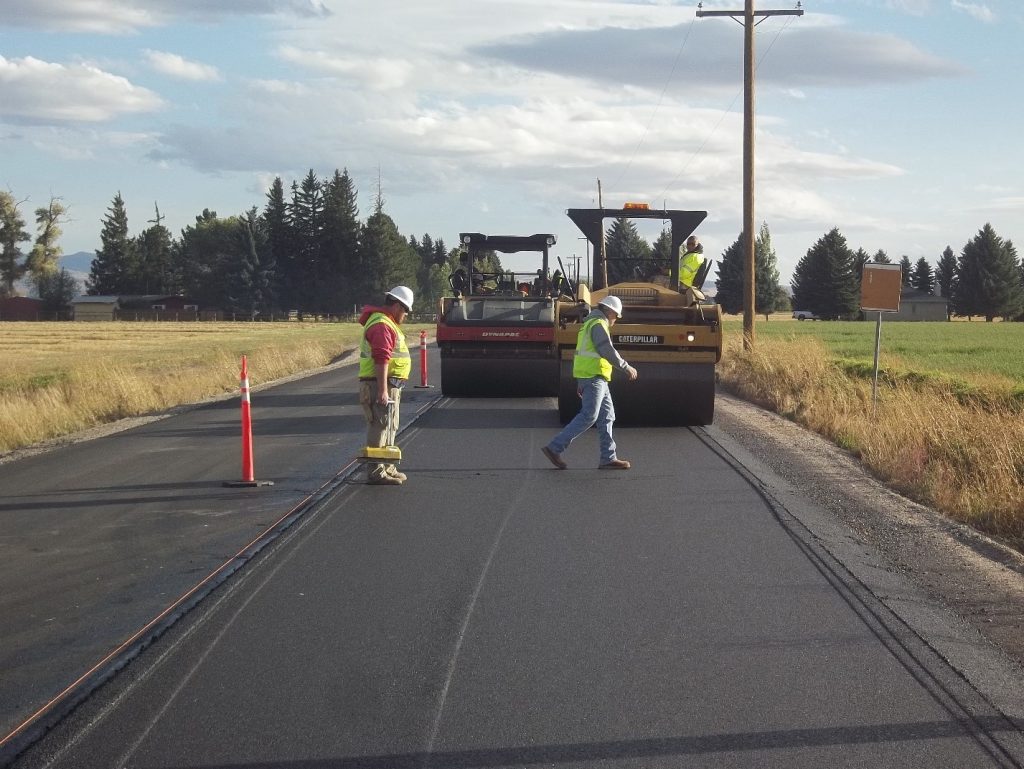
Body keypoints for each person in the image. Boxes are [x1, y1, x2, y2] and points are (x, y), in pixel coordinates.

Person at [541, 295, 638, 470]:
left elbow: (584, 353)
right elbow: (606, 350)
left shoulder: (589, 324)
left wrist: (581, 381)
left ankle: (608, 457)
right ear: (608, 311)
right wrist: (626, 367)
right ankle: (554, 447)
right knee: (589, 415)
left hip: (595, 377)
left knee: (607, 416)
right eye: (616, 315)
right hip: (593, 377)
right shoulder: (598, 325)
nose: (616, 319)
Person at [358, 286, 414, 485]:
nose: (406, 315)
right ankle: (375, 472)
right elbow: (381, 359)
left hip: (390, 384)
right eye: (405, 310)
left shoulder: (386, 323)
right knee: (379, 426)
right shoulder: (382, 325)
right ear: (397, 305)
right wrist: (382, 390)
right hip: (379, 385)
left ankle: (387, 466)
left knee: (389, 426)